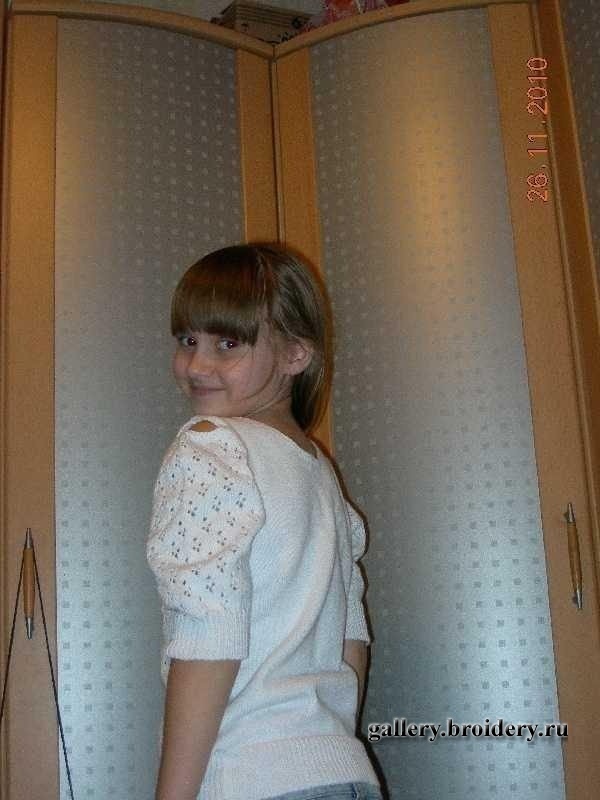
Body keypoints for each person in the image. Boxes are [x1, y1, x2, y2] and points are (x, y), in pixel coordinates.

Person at [147, 244, 382, 800]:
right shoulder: (318, 472)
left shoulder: (210, 447)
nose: (197, 365)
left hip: (250, 775)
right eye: (188, 340)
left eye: (228, 344)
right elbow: (351, 640)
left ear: (296, 353)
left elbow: (209, 638)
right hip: (341, 772)